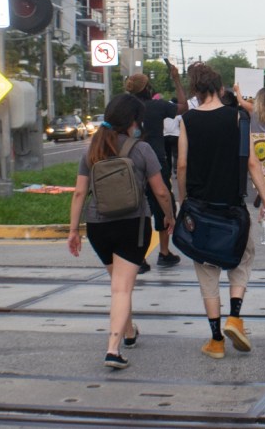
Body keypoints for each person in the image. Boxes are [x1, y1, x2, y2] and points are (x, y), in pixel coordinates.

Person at [67, 94, 174, 369]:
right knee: (122, 289)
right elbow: (161, 191)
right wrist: (169, 216)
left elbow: (79, 193)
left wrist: (73, 230)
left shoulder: (92, 150)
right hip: (132, 224)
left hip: (98, 226)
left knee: (118, 285)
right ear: (133, 121)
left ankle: (128, 332)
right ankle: (113, 350)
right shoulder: (142, 149)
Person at [177, 63, 265, 360]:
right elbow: (252, 162)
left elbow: (181, 165)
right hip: (232, 206)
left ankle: (216, 340)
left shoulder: (187, 120)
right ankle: (234, 317)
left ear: (195, 90)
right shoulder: (238, 117)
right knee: (242, 260)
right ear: (220, 89)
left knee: (206, 272)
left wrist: (183, 201)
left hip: (200, 208)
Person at [124, 68, 189, 270]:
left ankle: (139, 257)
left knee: (138, 208)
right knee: (162, 203)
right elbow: (183, 107)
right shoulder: (157, 106)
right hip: (156, 161)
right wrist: (176, 80)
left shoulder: (125, 108)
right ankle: (164, 252)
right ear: (147, 88)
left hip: (131, 162)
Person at [238, 88, 265, 202]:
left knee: (255, 167)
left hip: (254, 141)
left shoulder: (252, 108)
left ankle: (259, 191)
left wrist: (237, 90)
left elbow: (240, 100)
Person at [163, 99, 181, 176]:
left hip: (165, 136)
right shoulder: (176, 112)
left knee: (168, 155)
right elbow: (181, 121)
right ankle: (176, 170)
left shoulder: (163, 113)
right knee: (176, 154)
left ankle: (168, 172)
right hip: (175, 135)